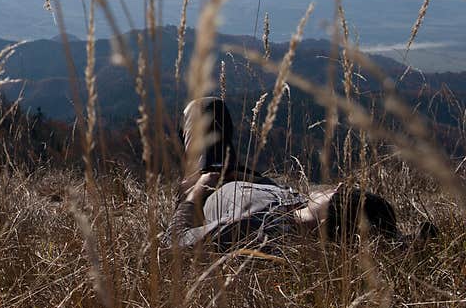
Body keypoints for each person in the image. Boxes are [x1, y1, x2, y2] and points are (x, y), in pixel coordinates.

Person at [163, 97, 403, 250]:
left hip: (208, 183)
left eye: (340, 194)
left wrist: (195, 193)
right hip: (245, 179)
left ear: (326, 218)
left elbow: (173, 243)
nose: (336, 187)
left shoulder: (253, 228)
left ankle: (185, 176)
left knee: (204, 108)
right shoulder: (300, 208)